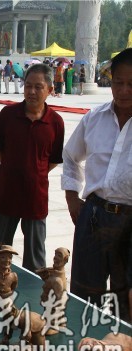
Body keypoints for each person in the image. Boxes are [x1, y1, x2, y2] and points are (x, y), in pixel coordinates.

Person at [61, 48, 132, 322]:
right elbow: (70, 157)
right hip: (93, 217)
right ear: (109, 81)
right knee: (83, 295)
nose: (124, 90)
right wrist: (71, 197)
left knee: (124, 303)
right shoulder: (94, 118)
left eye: (131, 84)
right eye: (118, 82)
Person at [0, 63, 64, 272]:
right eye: (28, 85)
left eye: (38, 87)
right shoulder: (7, 115)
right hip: (7, 192)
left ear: (50, 90)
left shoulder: (56, 122)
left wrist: (34, 172)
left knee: (35, 256)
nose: (31, 91)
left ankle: (34, 297)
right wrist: (16, 167)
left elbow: (54, 159)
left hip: (36, 197)